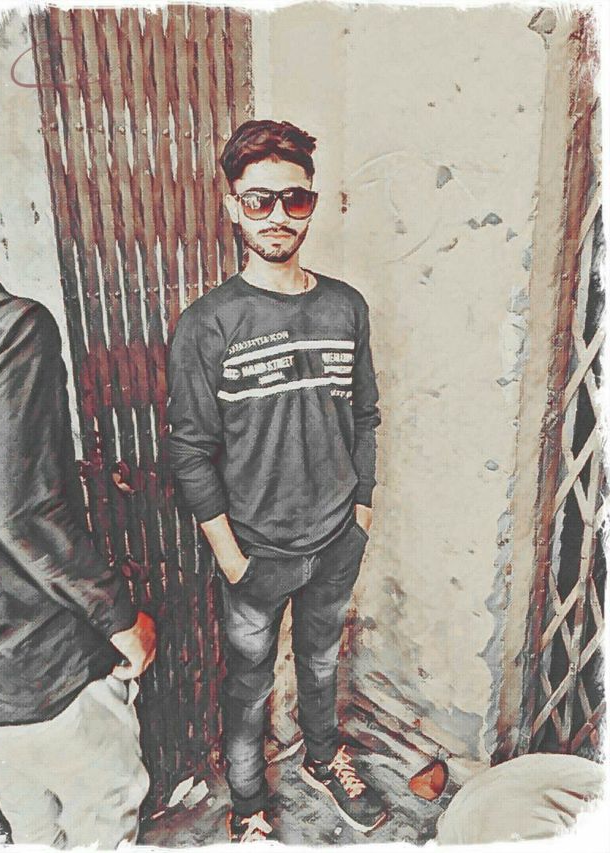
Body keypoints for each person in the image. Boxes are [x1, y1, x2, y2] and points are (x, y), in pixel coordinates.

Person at [167, 120, 387, 842]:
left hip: (336, 539)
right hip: (255, 552)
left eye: (294, 199)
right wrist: (231, 555)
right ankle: (248, 801)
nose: (277, 216)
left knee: (322, 663)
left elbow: (365, 415)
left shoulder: (345, 306)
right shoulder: (208, 324)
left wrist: (361, 510)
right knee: (249, 683)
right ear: (232, 205)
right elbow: (190, 450)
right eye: (258, 200)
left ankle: (323, 759)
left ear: (311, 202)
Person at [0, 217, 156, 848]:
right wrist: (120, 617)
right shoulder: (6, 327)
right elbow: (18, 512)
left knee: (31, 830)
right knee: (104, 816)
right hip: (43, 664)